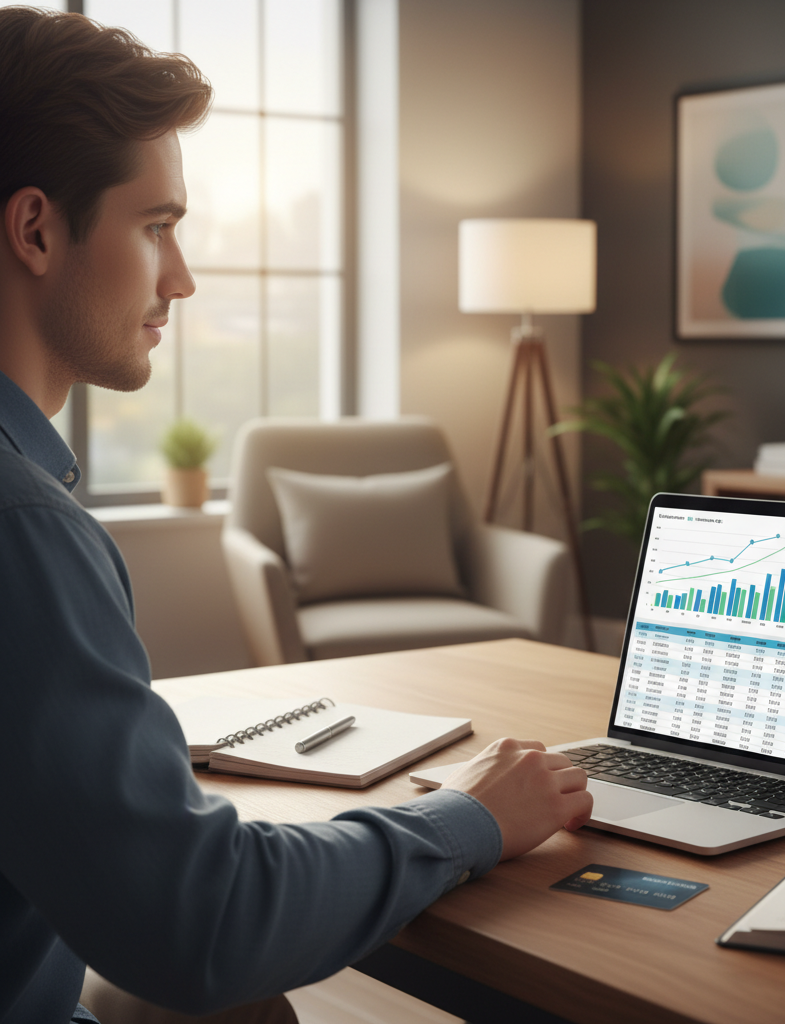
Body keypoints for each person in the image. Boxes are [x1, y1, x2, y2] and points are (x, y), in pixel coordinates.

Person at [0, 9, 592, 1023]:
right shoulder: (26, 528)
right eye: (157, 227)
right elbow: (205, 920)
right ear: (38, 230)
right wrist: (472, 818)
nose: (180, 279)